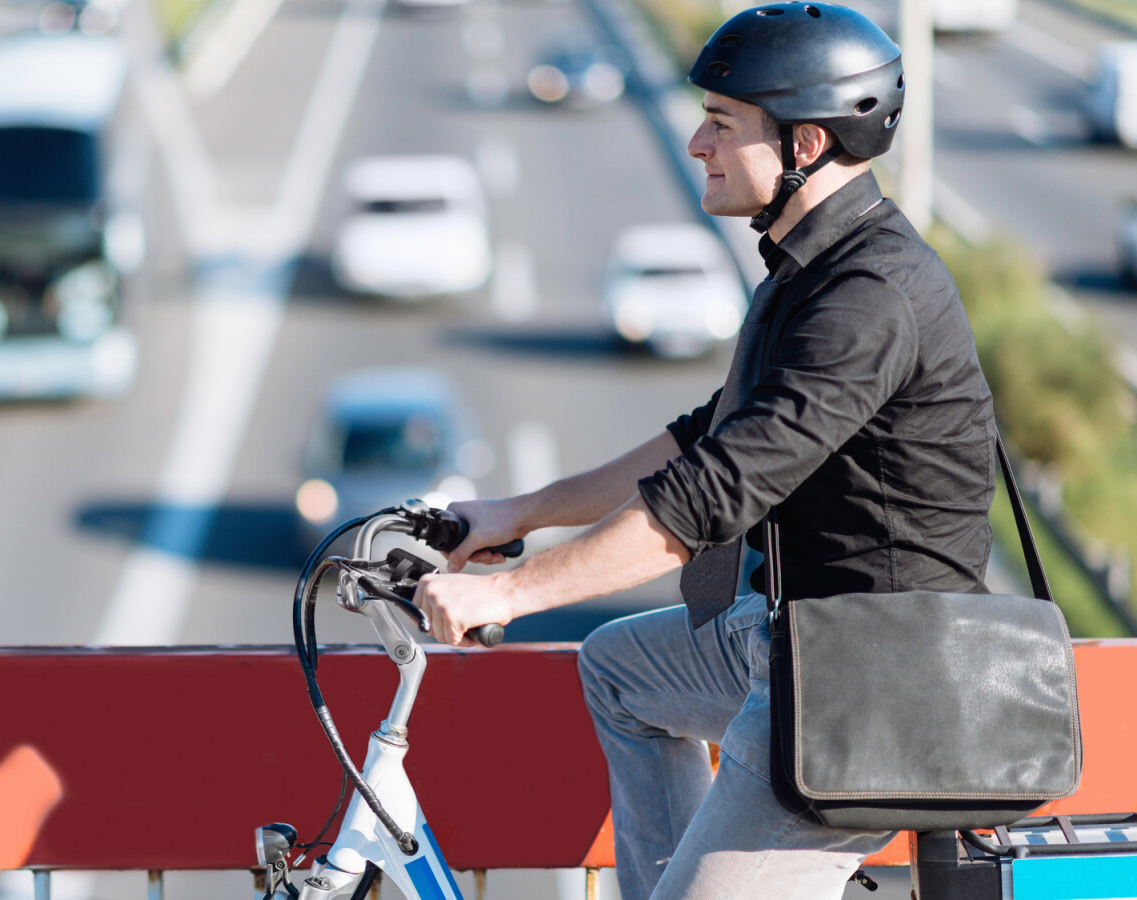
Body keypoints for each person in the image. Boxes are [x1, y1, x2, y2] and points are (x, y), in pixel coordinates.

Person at [414, 3, 998, 898]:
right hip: (792, 643)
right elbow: (702, 440)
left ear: (805, 144)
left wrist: (505, 593)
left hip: (877, 692)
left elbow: (703, 503)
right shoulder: (808, 270)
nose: (697, 143)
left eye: (722, 123)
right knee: (619, 670)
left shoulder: (870, 294)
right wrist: (513, 515)